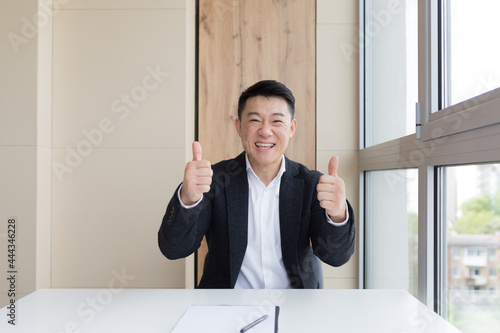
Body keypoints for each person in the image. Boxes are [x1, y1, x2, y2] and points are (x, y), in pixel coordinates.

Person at [158, 80, 355, 289]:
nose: (265, 131)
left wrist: (337, 215)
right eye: (255, 120)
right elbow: (174, 249)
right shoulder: (213, 180)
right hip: (227, 306)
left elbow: (336, 257)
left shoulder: (312, 183)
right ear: (239, 127)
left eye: (276, 121)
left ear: (291, 128)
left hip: (295, 306)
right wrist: (188, 199)